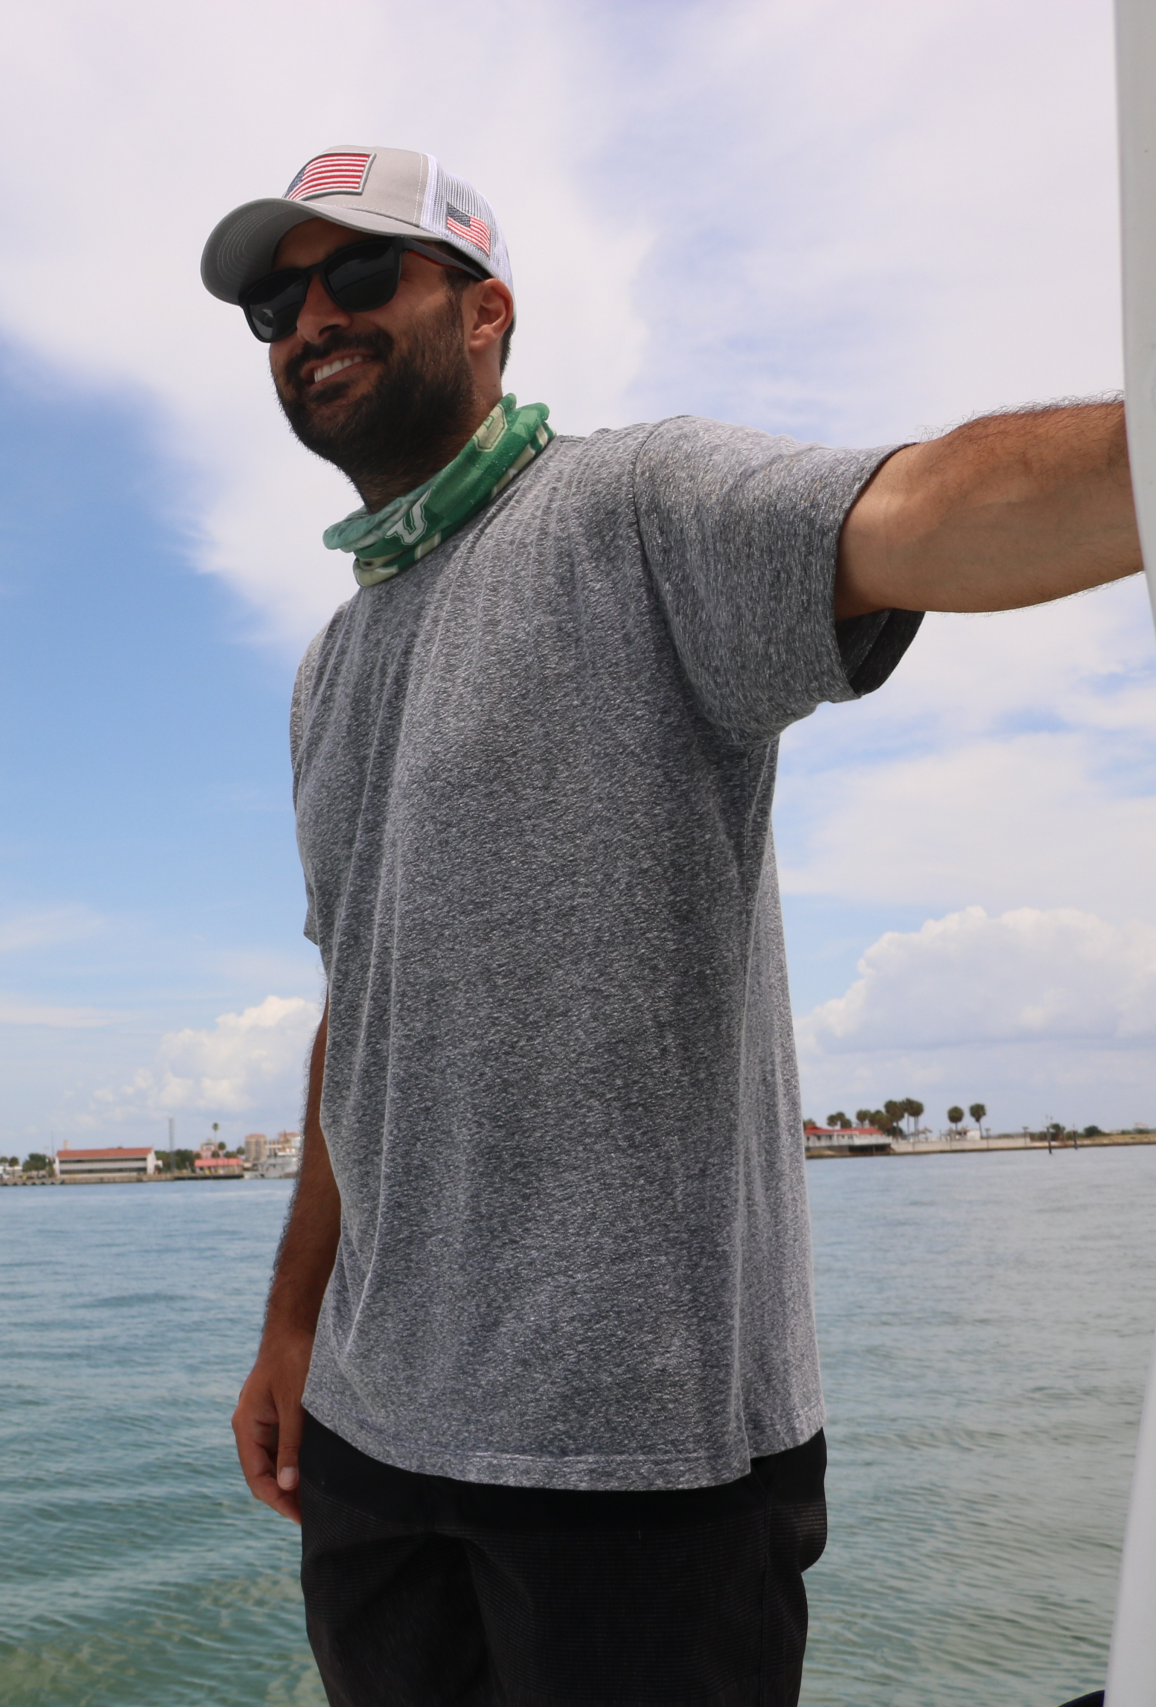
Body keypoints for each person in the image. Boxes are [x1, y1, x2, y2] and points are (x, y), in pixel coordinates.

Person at [205, 144, 1141, 1704]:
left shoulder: (633, 509)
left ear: (487, 308)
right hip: (374, 1444)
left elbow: (923, 511)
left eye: (360, 273)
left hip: (641, 1458)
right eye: (276, 304)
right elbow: (352, 1014)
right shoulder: (326, 666)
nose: (312, 319)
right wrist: (290, 1327)